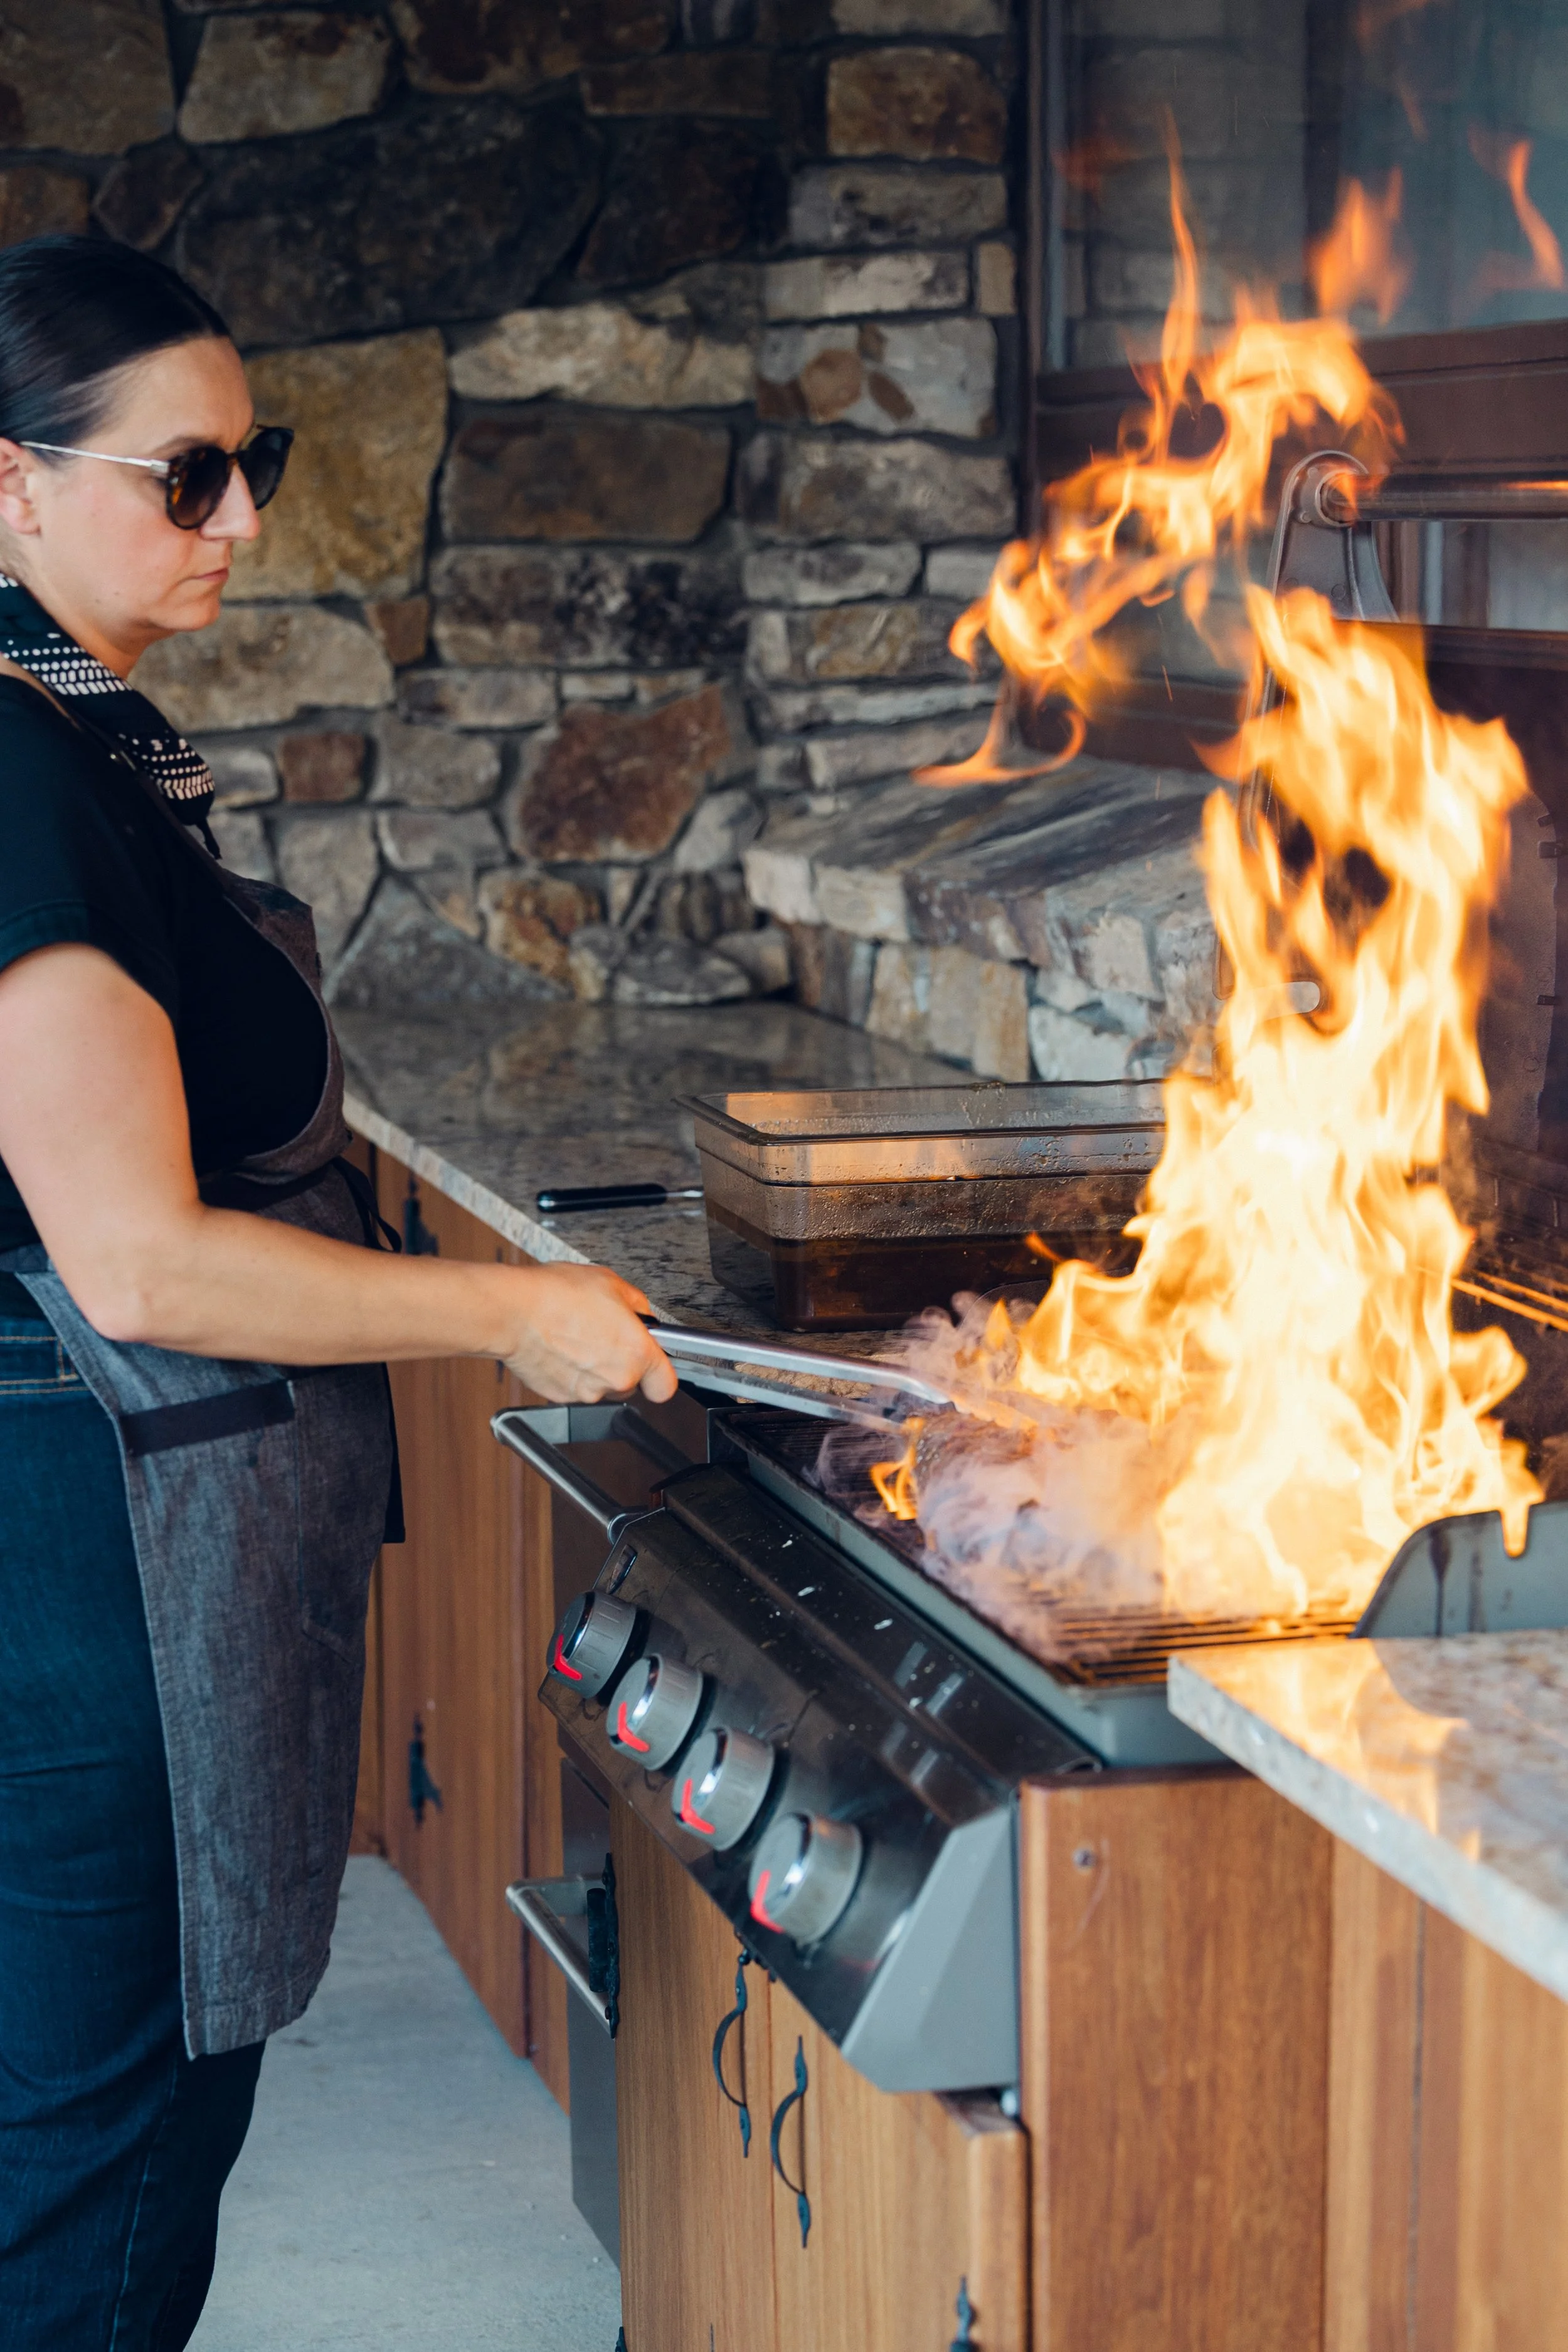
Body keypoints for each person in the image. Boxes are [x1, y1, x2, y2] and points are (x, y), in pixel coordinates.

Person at [0, 235, 674, 2349]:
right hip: (90, 1554)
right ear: (11, 482)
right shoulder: (18, 776)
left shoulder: (81, 738)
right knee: (104, 2166)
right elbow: (132, 1253)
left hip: (100, 1534)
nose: (247, 517)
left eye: (252, 459)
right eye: (185, 474)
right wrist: (507, 1311)